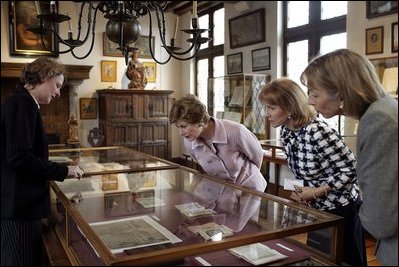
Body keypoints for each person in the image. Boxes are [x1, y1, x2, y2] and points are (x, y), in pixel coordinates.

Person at [300, 48, 398, 266]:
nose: (310, 101)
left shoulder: (378, 119)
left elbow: (381, 219)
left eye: (315, 94)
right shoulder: (383, 110)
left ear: (341, 91)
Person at [259, 78, 366, 266]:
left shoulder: (318, 132)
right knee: (319, 259)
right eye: (266, 107)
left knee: (345, 261)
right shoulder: (286, 131)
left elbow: (351, 169)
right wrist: (302, 191)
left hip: (341, 208)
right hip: (317, 209)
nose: (266, 114)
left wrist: (315, 192)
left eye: (271, 108)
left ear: (290, 107)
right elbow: (303, 172)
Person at [1, 57, 84, 266]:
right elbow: (20, 158)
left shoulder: (23, 102)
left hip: (20, 206)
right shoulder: (22, 103)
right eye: (56, 85)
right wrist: (63, 170)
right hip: (19, 209)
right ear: (44, 76)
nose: (57, 92)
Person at [169, 94, 267, 193]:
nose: (181, 133)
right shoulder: (189, 142)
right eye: (179, 127)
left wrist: (251, 177)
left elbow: (257, 156)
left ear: (200, 121)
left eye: (183, 126)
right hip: (223, 192)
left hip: (250, 189)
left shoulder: (236, 131)